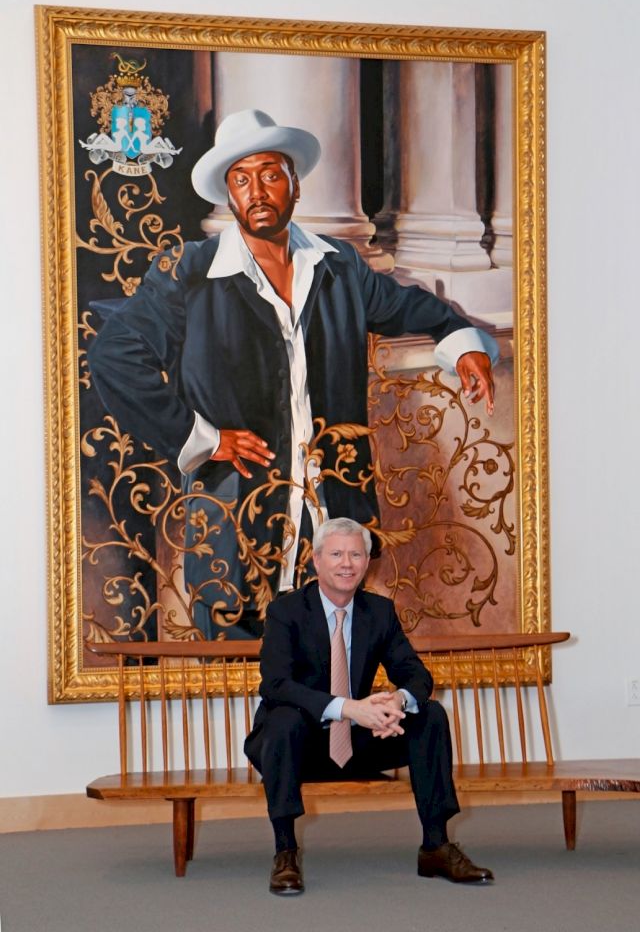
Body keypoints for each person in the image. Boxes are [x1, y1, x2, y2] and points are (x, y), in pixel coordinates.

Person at [88, 109, 499, 637]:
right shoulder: (192, 272)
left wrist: (464, 346)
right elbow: (115, 355)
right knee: (233, 671)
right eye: (241, 179)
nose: (256, 190)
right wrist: (202, 438)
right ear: (228, 195)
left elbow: (410, 308)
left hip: (334, 514)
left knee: (332, 669)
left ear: (295, 185)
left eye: (269, 174)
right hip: (232, 518)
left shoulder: (339, 266)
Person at [244, 516, 494, 894]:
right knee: (283, 720)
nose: (347, 563)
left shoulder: (378, 612)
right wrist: (349, 708)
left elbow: (418, 677)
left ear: (366, 562)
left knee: (429, 715)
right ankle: (285, 852)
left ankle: (436, 846)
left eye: (356, 555)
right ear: (316, 560)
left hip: (357, 742)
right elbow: (276, 685)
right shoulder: (287, 611)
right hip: (297, 746)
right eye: (337, 554)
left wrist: (396, 702)